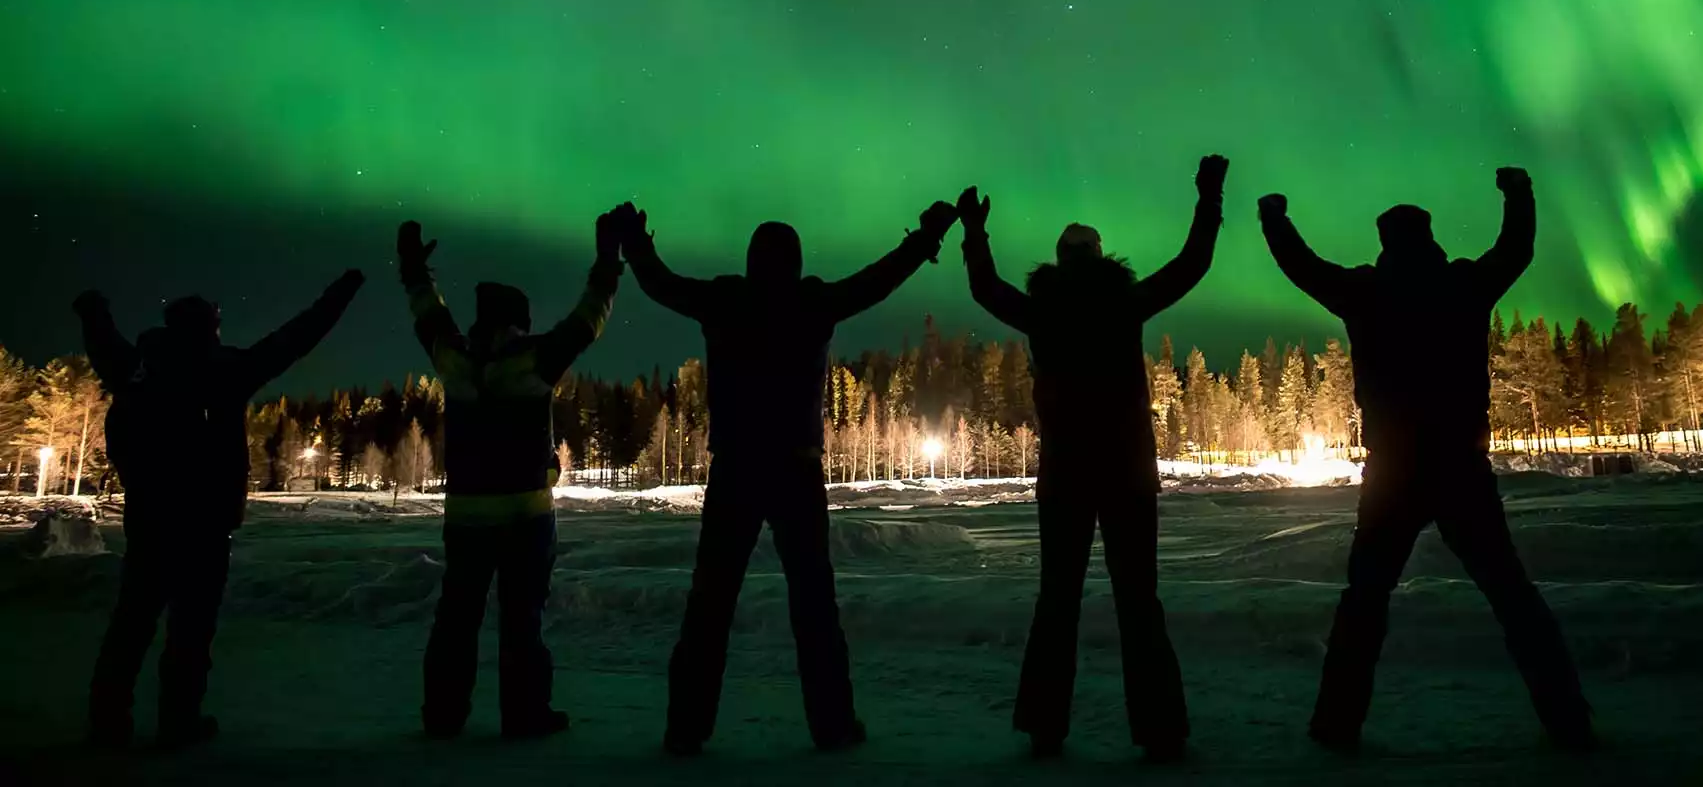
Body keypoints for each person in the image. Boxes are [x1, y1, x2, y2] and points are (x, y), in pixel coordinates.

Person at [1258, 167, 1595, 752]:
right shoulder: (1463, 286)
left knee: (1365, 599)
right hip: (1461, 468)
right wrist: (1518, 194)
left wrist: (1275, 220)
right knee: (1512, 594)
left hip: (1392, 473)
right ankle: (1568, 718)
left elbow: (1302, 267)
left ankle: (1336, 724)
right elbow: (1516, 249)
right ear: (1431, 236)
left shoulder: (1366, 292)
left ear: (1385, 240)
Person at [624, 200, 958, 756]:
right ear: (796, 261)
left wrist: (636, 244)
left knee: (711, 601)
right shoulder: (812, 302)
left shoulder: (725, 300)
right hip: (796, 468)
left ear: (753, 259)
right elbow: (876, 282)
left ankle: (686, 727)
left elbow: (661, 284)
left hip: (735, 467)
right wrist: (925, 239)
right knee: (812, 603)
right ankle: (831, 724)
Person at [957, 154, 1228, 761]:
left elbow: (985, 288)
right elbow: (1192, 265)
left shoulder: (1042, 309)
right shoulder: (1123, 305)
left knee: (1058, 599)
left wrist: (974, 232)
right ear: (1102, 257)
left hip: (1065, 478)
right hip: (1128, 475)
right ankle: (1160, 729)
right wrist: (1208, 198)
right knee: (1139, 600)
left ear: (1059, 260)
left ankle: (1045, 726)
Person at [79, 271, 365, 749]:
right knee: (191, 630)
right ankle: (179, 721)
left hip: (150, 516)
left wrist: (93, 309)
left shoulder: (137, 368)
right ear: (211, 327)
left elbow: (103, 342)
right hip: (206, 523)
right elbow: (294, 338)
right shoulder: (225, 370)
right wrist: (341, 292)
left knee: (131, 622)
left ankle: (108, 719)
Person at [399, 210, 628, 740]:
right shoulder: (533, 361)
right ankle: (524, 714)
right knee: (522, 620)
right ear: (517, 322)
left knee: (456, 618)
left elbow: (427, 314)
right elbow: (588, 320)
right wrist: (607, 261)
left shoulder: (453, 359)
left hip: (466, 519)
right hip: (525, 516)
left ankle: (442, 714)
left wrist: (413, 268)